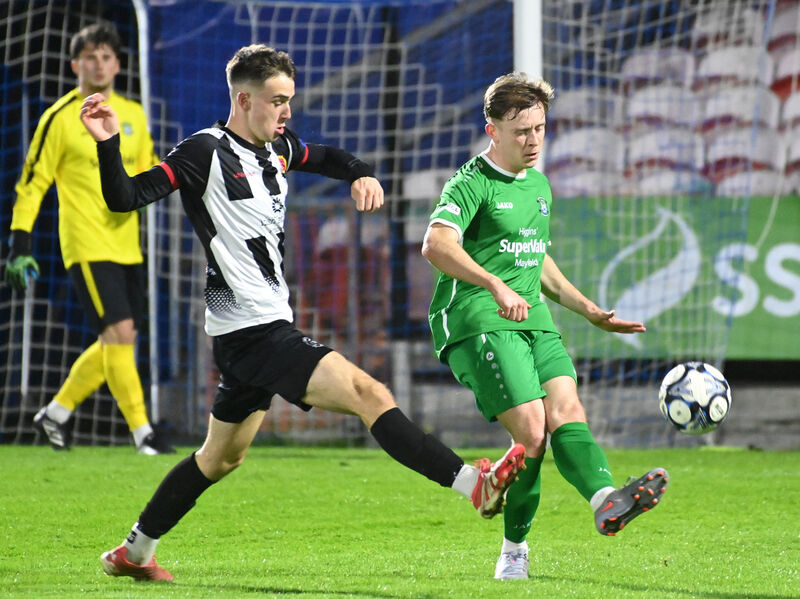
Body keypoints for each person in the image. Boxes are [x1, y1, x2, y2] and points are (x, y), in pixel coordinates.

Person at [79, 44, 527, 582]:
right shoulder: (202, 152)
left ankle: (135, 552)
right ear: (243, 100)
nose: (287, 111)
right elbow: (126, 196)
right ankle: (472, 485)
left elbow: (327, 156)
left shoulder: (278, 149)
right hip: (252, 331)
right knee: (370, 394)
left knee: (219, 459)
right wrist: (108, 144)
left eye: (289, 99)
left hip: (254, 330)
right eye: (277, 100)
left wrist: (361, 173)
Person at [420, 73, 669, 581]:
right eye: (521, 131)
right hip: (476, 316)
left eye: (540, 128)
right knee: (533, 433)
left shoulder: (538, 183)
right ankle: (514, 552)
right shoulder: (470, 183)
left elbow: (538, 261)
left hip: (532, 315)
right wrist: (495, 285)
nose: (533, 141)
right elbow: (436, 246)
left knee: (566, 409)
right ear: (491, 130)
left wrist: (590, 310)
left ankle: (606, 500)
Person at [3, 22, 173, 455]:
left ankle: (56, 413)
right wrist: (19, 243)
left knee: (117, 341)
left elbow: (150, 170)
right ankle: (143, 434)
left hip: (128, 245)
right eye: (90, 57)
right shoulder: (58, 118)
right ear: (75, 64)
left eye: (107, 56)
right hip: (85, 244)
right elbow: (32, 183)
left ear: (118, 64)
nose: (99, 64)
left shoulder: (133, 115)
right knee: (120, 333)